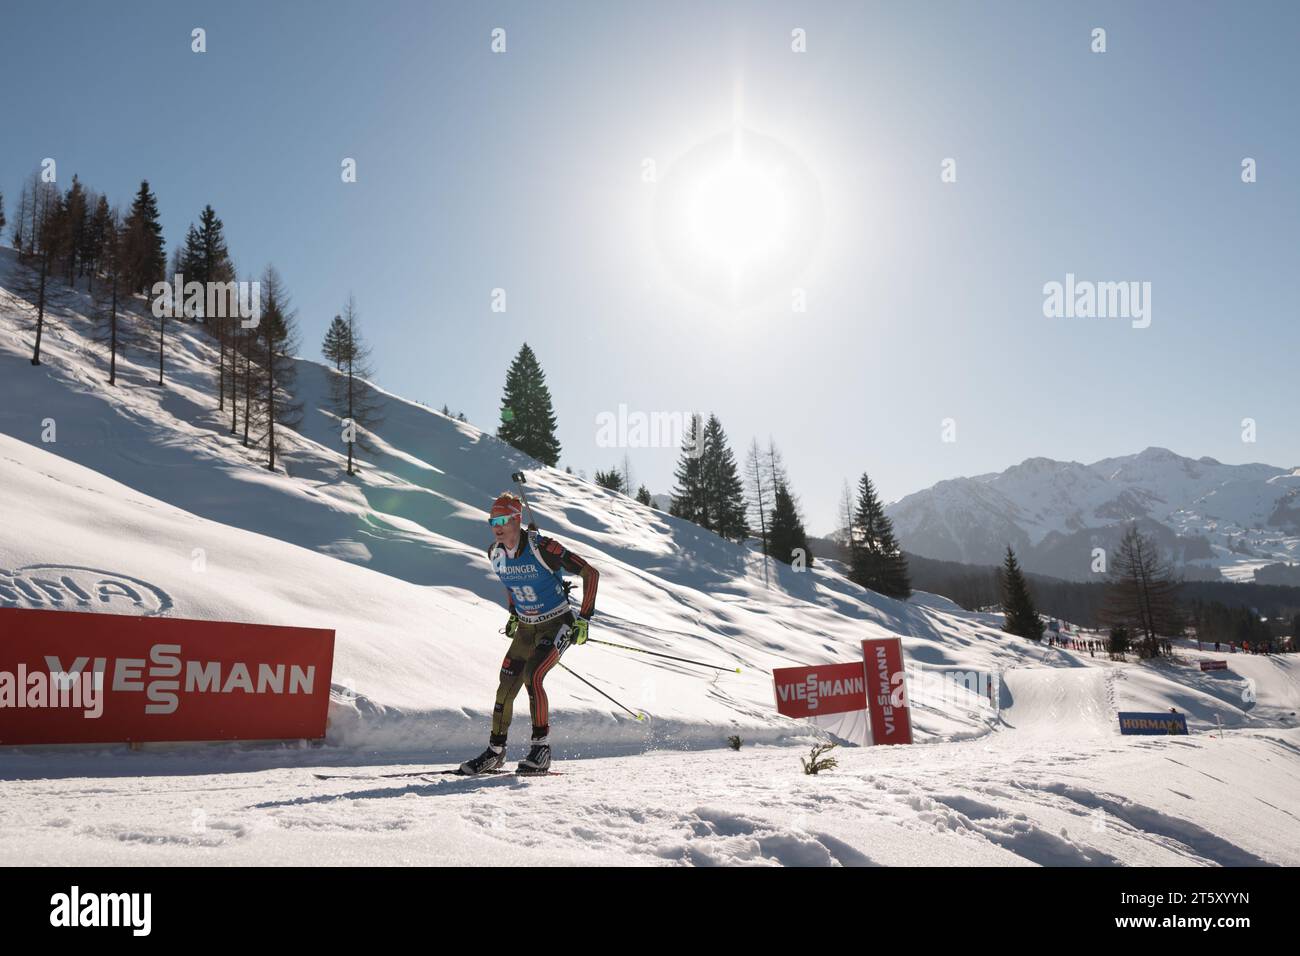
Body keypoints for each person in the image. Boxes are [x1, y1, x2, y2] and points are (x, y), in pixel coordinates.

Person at [459, 492, 599, 775]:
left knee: (532, 676)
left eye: (503, 520)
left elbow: (590, 573)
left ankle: (541, 749)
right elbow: (512, 584)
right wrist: (513, 614)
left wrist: (583, 620)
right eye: (492, 520)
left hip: (557, 623)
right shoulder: (494, 552)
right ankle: (495, 752)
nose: (496, 526)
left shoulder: (542, 547)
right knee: (505, 685)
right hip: (525, 627)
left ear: (517, 519)